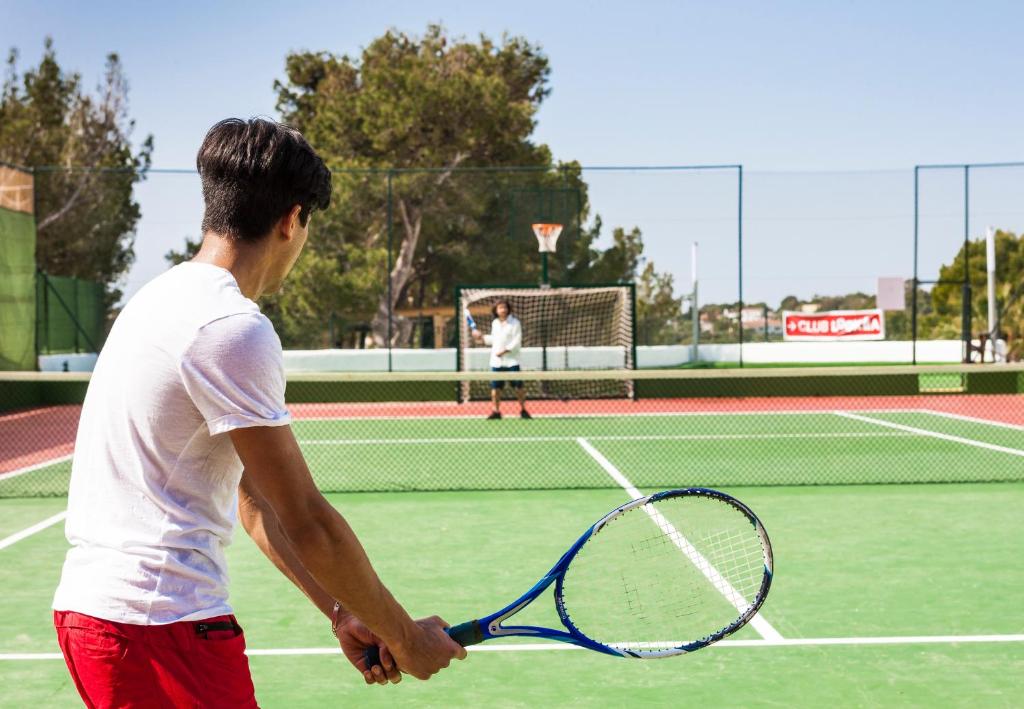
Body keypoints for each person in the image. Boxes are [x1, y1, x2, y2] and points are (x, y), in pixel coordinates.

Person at [51, 118, 465, 707]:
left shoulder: (156, 299)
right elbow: (307, 520)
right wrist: (405, 637)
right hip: (160, 626)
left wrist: (344, 610)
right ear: (292, 220)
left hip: (100, 617)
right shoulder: (230, 327)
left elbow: (253, 503)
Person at [472, 299, 531, 419]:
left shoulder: (515, 323)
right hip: (497, 362)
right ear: (496, 310)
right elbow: (494, 339)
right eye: (500, 308)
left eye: (505, 307)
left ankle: (523, 410)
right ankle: (496, 411)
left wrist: (505, 351)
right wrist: (481, 337)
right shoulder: (495, 323)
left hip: (512, 361)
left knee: (518, 387)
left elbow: (517, 341)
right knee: (496, 388)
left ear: (508, 309)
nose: (503, 310)